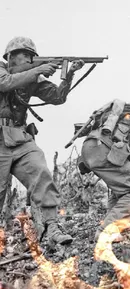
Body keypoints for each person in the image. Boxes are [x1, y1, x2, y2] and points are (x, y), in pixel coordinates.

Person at [0, 36, 84, 249]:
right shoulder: (2, 70)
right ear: (10, 57)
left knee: (41, 172)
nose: (29, 59)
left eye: (32, 56)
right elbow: (5, 83)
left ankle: (51, 226)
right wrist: (39, 70)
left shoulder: (31, 78)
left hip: (20, 139)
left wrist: (69, 74)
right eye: (25, 55)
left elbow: (57, 97)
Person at [79, 98, 130, 239]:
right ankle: (107, 232)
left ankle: (115, 226)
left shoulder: (126, 118)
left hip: (89, 149)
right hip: (104, 150)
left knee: (121, 191)